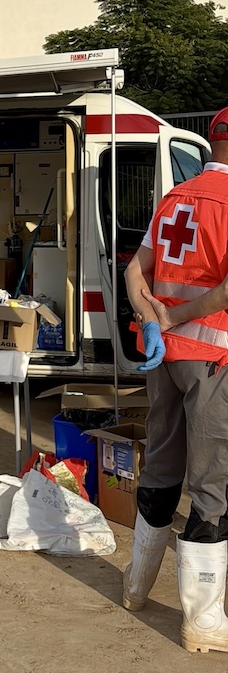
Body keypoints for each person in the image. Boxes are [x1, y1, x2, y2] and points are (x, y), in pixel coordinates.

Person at [122, 106, 228, 653]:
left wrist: (152, 320)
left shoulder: (173, 198)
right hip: (213, 360)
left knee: (162, 465)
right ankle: (203, 621)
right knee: (212, 484)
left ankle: (136, 586)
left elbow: (133, 271)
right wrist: (176, 318)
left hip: (162, 360)